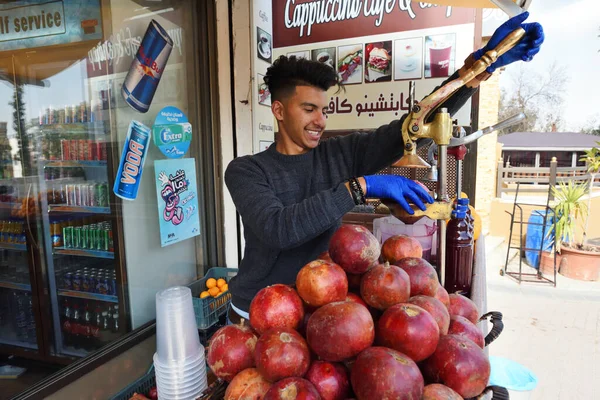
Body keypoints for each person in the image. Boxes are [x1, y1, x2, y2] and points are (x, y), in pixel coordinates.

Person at [225, 12, 544, 322]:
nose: (320, 121)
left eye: (324, 110)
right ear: (279, 111)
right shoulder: (246, 171)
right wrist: (360, 187)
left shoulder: (340, 153)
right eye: (309, 109)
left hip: (321, 313)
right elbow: (280, 230)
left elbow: (413, 125)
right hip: (256, 313)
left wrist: (475, 73)